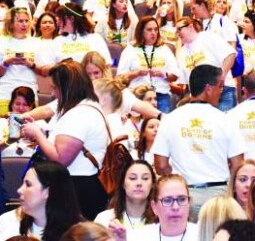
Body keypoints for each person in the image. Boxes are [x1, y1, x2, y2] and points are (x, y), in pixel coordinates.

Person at [152, 65, 245, 219]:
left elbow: (160, 165)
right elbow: (238, 165)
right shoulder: (225, 120)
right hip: (219, 196)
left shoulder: (171, 119)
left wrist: (179, 179)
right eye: (220, 86)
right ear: (208, 89)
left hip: (182, 195)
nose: (221, 91)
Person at [21, 61, 109, 220]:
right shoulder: (83, 107)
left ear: (68, 87)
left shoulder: (79, 114)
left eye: (55, 87)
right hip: (79, 185)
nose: (53, 94)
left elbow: (61, 159)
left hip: (78, 189)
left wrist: (38, 134)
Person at [0, 161, 84, 240]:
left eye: (28, 185)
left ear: (47, 192)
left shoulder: (79, 234)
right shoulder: (7, 221)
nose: (19, 190)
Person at [175, 16, 238, 111]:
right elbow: (184, 84)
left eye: (179, 29)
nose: (178, 33)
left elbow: (230, 54)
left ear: (190, 26)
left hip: (222, 90)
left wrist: (222, 76)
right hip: (199, 99)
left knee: (224, 123)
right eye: (176, 31)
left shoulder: (208, 37)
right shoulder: (181, 52)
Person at [124, 174, 198, 240]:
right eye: (167, 200)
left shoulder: (204, 235)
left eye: (182, 199)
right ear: (154, 207)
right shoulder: (139, 237)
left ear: (189, 203)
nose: (175, 207)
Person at [0, 7, 44, 115]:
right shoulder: (2, 41)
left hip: (29, 94)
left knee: (28, 129)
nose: (24, 24)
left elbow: (42, 72)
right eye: (20, 21)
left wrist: (31, 65)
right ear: (11, 23)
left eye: (26, 21)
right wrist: (6, 63)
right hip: (5, 92)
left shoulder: (36, 43)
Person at [95, 160, 156, 233]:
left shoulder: (161, 219)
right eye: (133, 178)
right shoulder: (104, 219)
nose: (139, 183)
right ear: (123, 184)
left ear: (152, 184)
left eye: (145, 178)